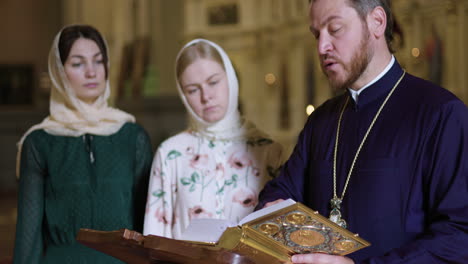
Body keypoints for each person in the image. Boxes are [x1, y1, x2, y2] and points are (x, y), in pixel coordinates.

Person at [257, 0, 468, 263]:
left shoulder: (441, 113)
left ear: (377, 22)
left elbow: (459, 235)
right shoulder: (321, 120)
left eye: (334, 29)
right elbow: (279, 192)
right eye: (316, 34)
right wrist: (273, 210)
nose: (322, 47)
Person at [13, 24, 153, 264]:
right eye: (77, 63)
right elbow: (29, 231)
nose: (91, 72)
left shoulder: (133, 136)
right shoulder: (39, 141)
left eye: (98, 61)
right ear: (59, 72)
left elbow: (147, 224)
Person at [143, 39, 283, 239]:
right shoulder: (170, 154)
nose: (206, 96)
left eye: (213, 82)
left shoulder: (269, 151)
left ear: (231, 79)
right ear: (183, 95)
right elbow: (154, 239)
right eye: (193, 90)